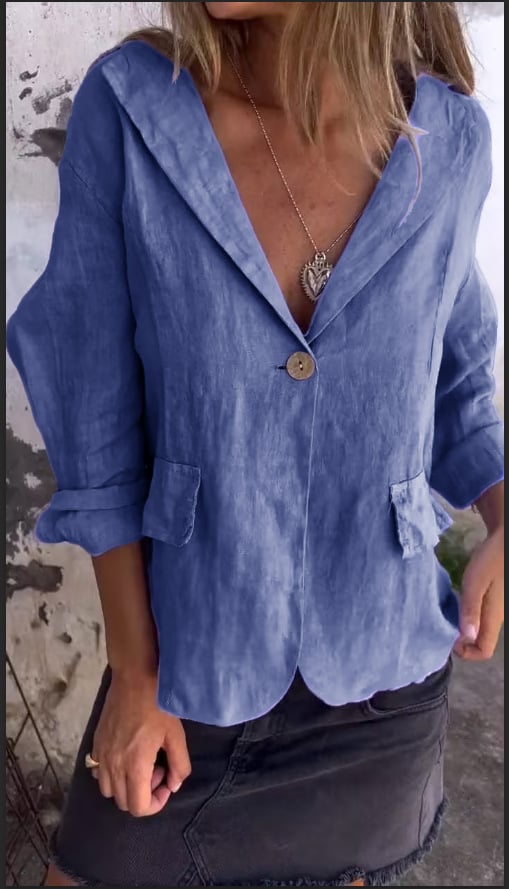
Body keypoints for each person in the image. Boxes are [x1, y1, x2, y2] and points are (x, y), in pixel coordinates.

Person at [6, 2, 504, 886]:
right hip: (189, 659)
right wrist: (135, 673)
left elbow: (456, 379)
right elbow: (94, 405)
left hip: (381, 680)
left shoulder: (449, 139)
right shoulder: (137, 111)